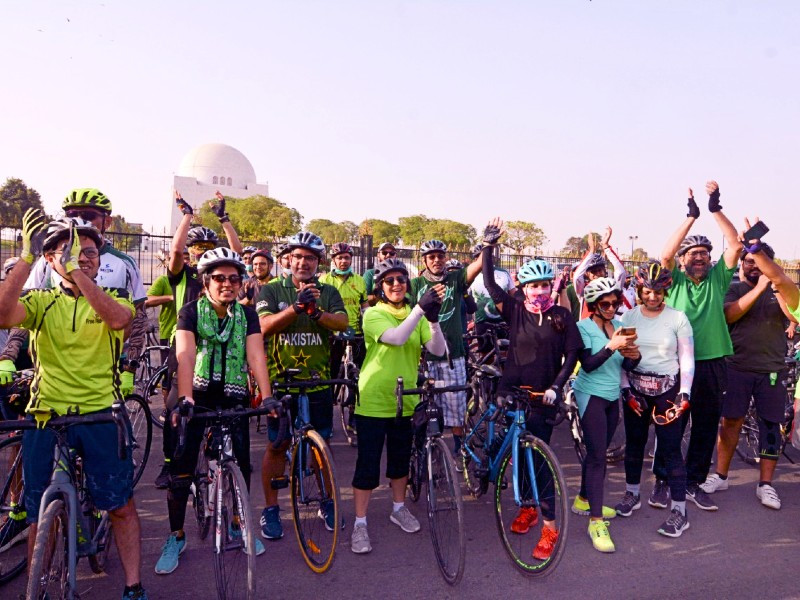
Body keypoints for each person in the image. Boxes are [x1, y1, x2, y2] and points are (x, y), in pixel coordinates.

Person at [0, 210, 147, 600]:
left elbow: (118, 321)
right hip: (47, 416)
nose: (82, 257)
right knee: (37, 515)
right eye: (69, 251)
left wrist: (78, 272)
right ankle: (38, 587)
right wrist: (29, 255)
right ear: (50, 260)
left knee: (119, 506)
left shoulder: (114, 298)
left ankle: (133, 586)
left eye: (90, 254)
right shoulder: (42, 300)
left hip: (100, 415)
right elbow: (2, 315)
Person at [155, 248, 275, 574]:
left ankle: (237, 523)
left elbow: (255, 356)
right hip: (195, 393)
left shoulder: (247, 314)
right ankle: (176, 536)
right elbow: (185, 355)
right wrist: (185, 398)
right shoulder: (190, 311)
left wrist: (266, 397)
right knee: (181, 466)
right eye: (219, 278)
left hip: (233, 394)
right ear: (207, 280)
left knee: (243, 463)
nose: (227, 284)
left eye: (233, 279)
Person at [479, 218, 581, 560]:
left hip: (543, 398)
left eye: (544, 285)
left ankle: (549, 526)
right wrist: (488, 247)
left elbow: (572, 355)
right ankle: (526, 506)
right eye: (532, 286)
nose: (538, 291)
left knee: (539, 462)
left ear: (551, 286)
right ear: (523, 288)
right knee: (514, 454)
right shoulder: (515, 311)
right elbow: (491, 284)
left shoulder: (562, 318)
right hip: (511, 392)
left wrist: (556, 386)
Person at [11, 188, 147, 399]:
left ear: (107, 222)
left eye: (88, 215)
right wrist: (8, 355)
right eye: (72, 214)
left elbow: (138, 318)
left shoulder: (124, 263)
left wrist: (130, 367)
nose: (78, 219)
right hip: (54, 369)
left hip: (106, 366)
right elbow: (23, 310)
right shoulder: (48, 260)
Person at [350, 258, 446, 554]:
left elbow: (438, 350)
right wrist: (420, 309)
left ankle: (398, 507)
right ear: (380, 286)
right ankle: (360, 523)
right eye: (389, 281)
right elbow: (395, 338)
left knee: (400, 461)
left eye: (401, 280)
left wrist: (432, 318)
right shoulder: (373, 314)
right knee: (368, 464)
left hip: (406, 400)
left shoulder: (413, 314)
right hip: (375, 399)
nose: (396, 285)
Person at [256, 231, 348, 540]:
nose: (303, 262)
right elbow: (263, 327)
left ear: (318, 262)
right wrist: (296, 307)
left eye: (310, 258)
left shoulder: (329, 290)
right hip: (282, 384)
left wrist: (316, 312)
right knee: (278, 445)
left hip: (318, 382)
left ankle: (327, 501)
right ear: (287, 260)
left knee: (321, 447)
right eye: (297, 256)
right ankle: (271, 509)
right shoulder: (271, 289)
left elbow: (342, 323)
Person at [654, 181, 739, 512]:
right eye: (693, 254)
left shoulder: (719, 279)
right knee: (671, 422)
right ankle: (663, 480)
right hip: (676, 363)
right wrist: (691, 216)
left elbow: (734, 244)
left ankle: (692, 483)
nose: (700, 258)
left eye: (704, 253)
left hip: (714, 362)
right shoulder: (673, 280)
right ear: (683, 259)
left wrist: (715, 208)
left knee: (705, 425)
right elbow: (664, 255)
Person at [153, 190, 244, 489]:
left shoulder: (217, 274)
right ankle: (171, 463)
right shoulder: (184, 275)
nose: (200, 251)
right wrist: (186, 217)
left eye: (207, 246)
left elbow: (237, 254)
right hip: (183, 345)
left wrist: (224, 218)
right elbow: (177, 252)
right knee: (173, 406)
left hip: (221, 344)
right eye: (197, 247)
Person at [700, 241, 794, 509]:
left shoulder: (781, 289)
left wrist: (776, 287)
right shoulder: (733, 288)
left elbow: (793, 318)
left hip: (772, 369)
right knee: (730, 422)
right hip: (737, 367)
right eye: (749, 261)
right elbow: (730, 315)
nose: (753, 266)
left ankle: (766, 484)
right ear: (741, 264)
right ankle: (721, 475)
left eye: (759, 261)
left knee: (770, 426)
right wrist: (760, 288)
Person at [614, 262, 695, 539]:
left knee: (671, 450)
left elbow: (686, 357)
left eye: (658, 291)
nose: (652, 296)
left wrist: (685, 392)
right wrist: (626, 389)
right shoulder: (627, 318)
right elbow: (620, 359)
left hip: (667, 390)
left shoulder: (677, 318)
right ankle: (632, 494)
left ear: (665, 291)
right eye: (647, 291)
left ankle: (680, 511)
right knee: (635, 445)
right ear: (639, 290)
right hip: (636, 389)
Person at [571, 277, 640, 552]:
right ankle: (595, 521)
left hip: (613, 395)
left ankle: (584, 499)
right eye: (606, 304)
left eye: (615, 302)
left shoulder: (620, 326)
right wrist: (611, 346)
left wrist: (634, 354)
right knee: (599, 458)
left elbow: (627, 365)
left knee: (596, 451)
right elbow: (587, 365)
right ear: (593, 305)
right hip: (591, 396)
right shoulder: (582, 327)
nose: (612, 308)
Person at [409, 238, 483, 462]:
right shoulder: (415, 285)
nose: (436, 260)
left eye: (440, 256)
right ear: (424, 260)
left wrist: (488, 245)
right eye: (431, 257)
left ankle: (459, 450)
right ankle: (429, 451)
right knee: (428, 410)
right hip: (424, 358)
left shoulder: (454, 280)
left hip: (454, 356)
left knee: (456, 409)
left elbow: (478, 265)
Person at [320, 242, 370, 369]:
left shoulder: (359, 280)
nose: (343, 261)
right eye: (339, 258)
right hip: (332, 332)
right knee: (332, 369)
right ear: (334, 260)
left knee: (358, 370)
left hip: (355, 333)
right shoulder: (324, 280)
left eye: (347, 257)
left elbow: (365, 307)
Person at [573, 227, 629, 319]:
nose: (597, 274)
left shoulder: (613, 287)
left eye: (599, 270)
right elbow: (577, 277)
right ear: (587, 274)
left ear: (604, 270)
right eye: (593, 272)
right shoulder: (584, 290)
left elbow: (621, 272)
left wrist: (606, 247)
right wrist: (591, 251)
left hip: (609, 330)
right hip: (588, 331)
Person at [469, 243, 515, 353]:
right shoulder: (470, 275)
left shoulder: (503, 273)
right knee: (486, 356)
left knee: (504, 354)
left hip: (503, 321)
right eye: (478, 257)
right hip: (482, 321)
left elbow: (512, 294)